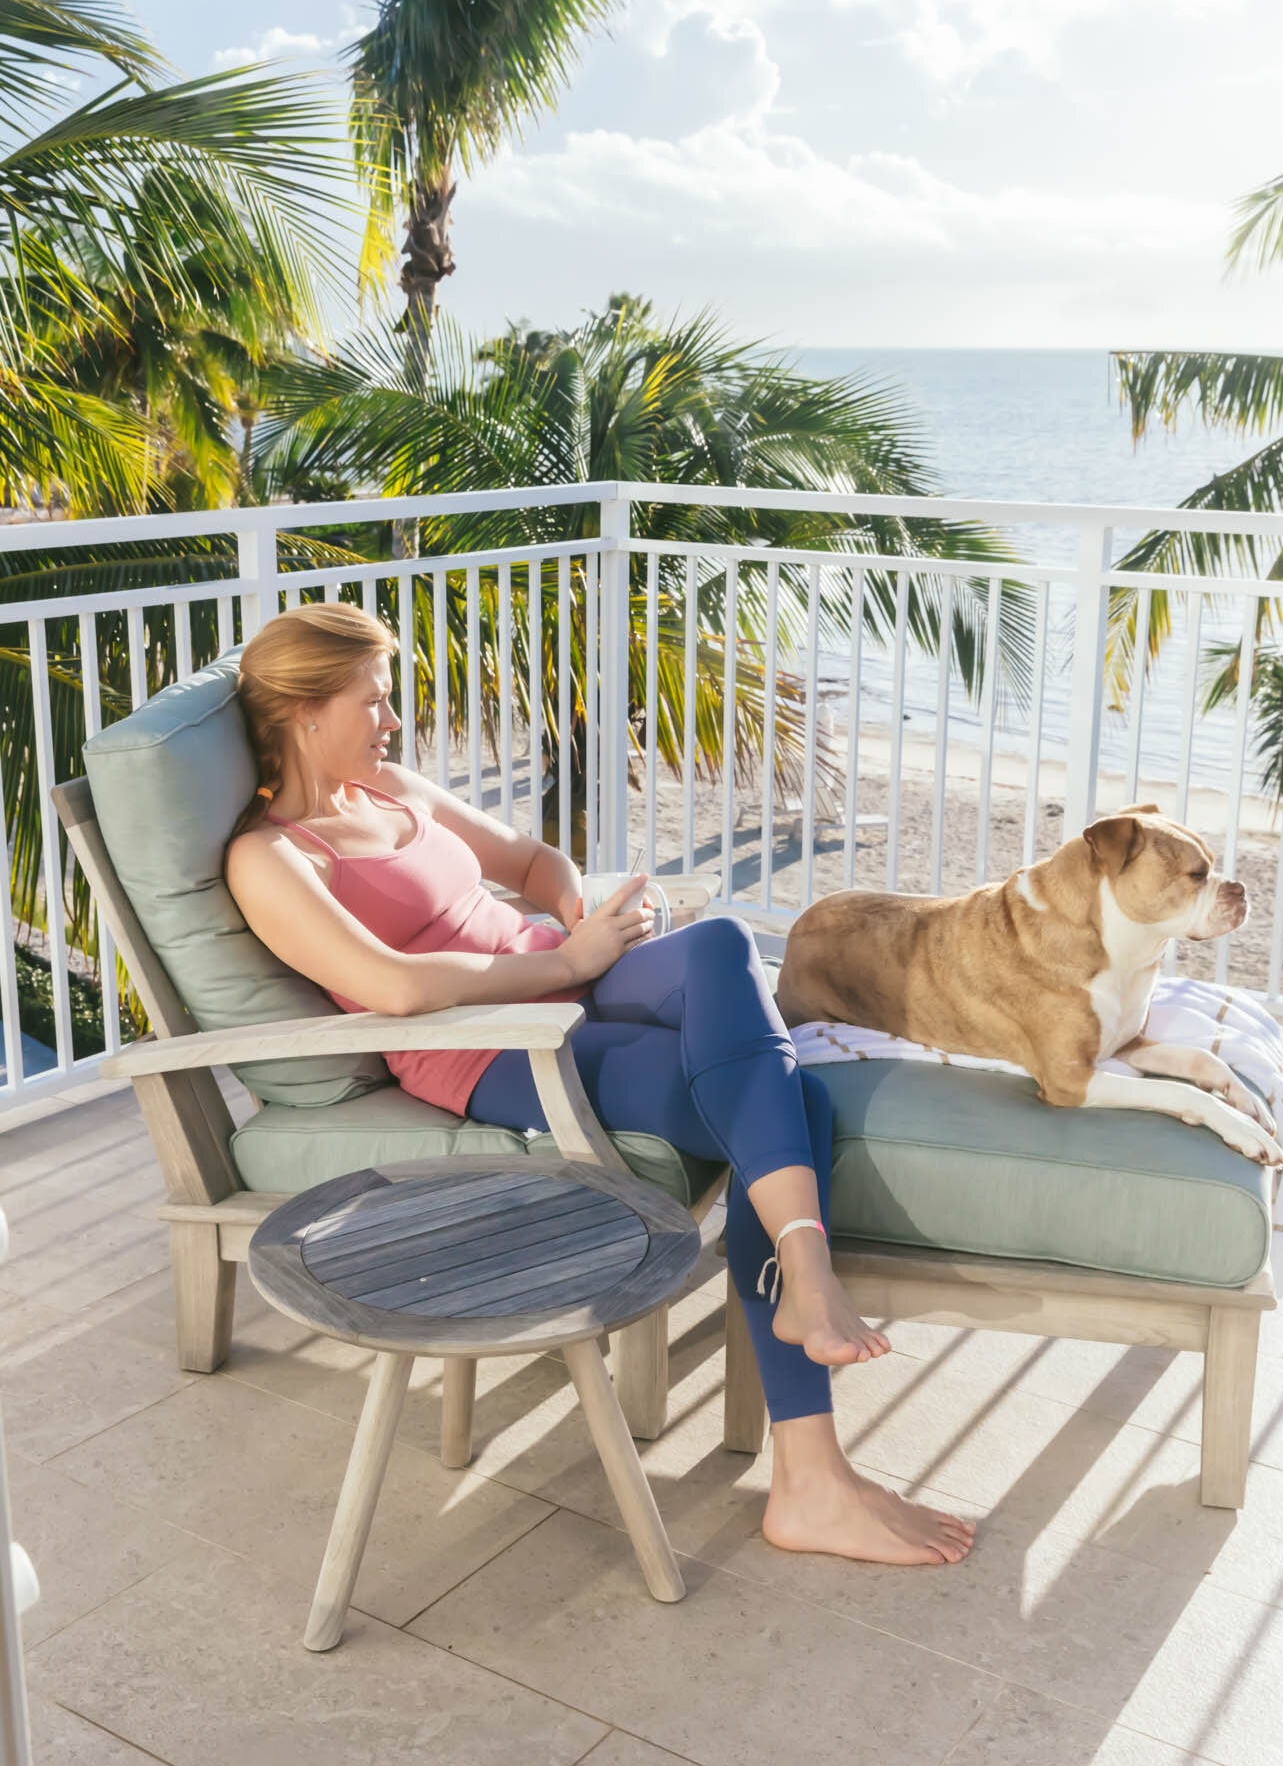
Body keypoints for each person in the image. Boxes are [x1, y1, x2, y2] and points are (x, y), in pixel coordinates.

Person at [225, 604, 975, 1568]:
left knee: (715, 941)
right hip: (498, 1049)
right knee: (801, 1102)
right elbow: (396, 986)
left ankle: (806, 1347)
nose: (392, 721)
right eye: (373, 701)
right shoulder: (271, 855)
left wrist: (592, 913)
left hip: (567, 975)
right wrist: (568, 959)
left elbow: (533, 862)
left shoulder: (393, 789)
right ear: (300, 709)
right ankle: (810, 1449)